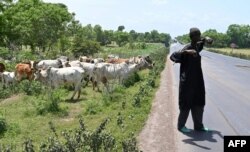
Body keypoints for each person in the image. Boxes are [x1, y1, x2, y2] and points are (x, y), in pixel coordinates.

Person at [170, 27, 213, 133]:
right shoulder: (187, 47)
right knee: (186, 103)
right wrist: (186, 52)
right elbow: (173, 56)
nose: (199, 36)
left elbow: (205, 41)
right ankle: (181, 126)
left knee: (199, 102)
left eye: (200, 34)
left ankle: (198, 126)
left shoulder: (197, 46)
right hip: (187, 82)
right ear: (192, 37)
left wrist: (206, 39)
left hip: (198, 81)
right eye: (198, 35)